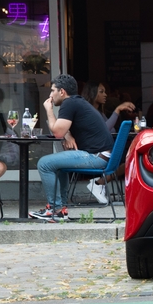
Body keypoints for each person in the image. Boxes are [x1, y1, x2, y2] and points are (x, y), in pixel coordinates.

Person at [29, 74, 114, 222]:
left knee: (44, 163)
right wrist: (68, 134)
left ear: (62, 92)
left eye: (52, 90)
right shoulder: (76, 102)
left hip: (96, 157)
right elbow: (62, 130)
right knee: (57, 166)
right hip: (102, 155)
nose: (50, 95)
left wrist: (48, 110)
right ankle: (60, 209)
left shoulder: (69, 104)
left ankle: (55, 210)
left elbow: (56, 132)